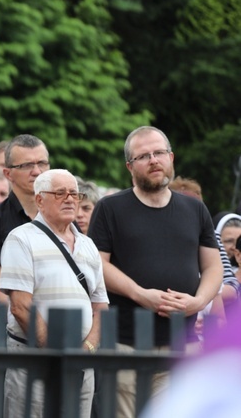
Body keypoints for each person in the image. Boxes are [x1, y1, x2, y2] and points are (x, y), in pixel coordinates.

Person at [88, 126, 223, 418]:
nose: (153, 160)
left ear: (171, 157)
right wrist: (141, 295)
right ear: (129, 166)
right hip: (125, 342)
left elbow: (213, 266)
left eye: (159, 152)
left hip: (181, 343)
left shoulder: (194, 209)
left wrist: (198, 302)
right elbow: (98, 264)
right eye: (143, 156)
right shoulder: (110, 208)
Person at [0, 169, 109, 418]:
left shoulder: (88, 245)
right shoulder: (21, 238)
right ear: (39, 200)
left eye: (74, 194)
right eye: (60, 193)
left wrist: (86, 349)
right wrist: (58, 353)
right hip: (35, 362)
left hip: (82, 366)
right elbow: (20, 306)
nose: (70, 199)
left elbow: (100, 307)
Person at [0, 134, 50, 305]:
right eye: (27, 165)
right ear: (8, 173)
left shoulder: (63, 220)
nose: (37, 171)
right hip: (13, 325)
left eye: (42, 163)